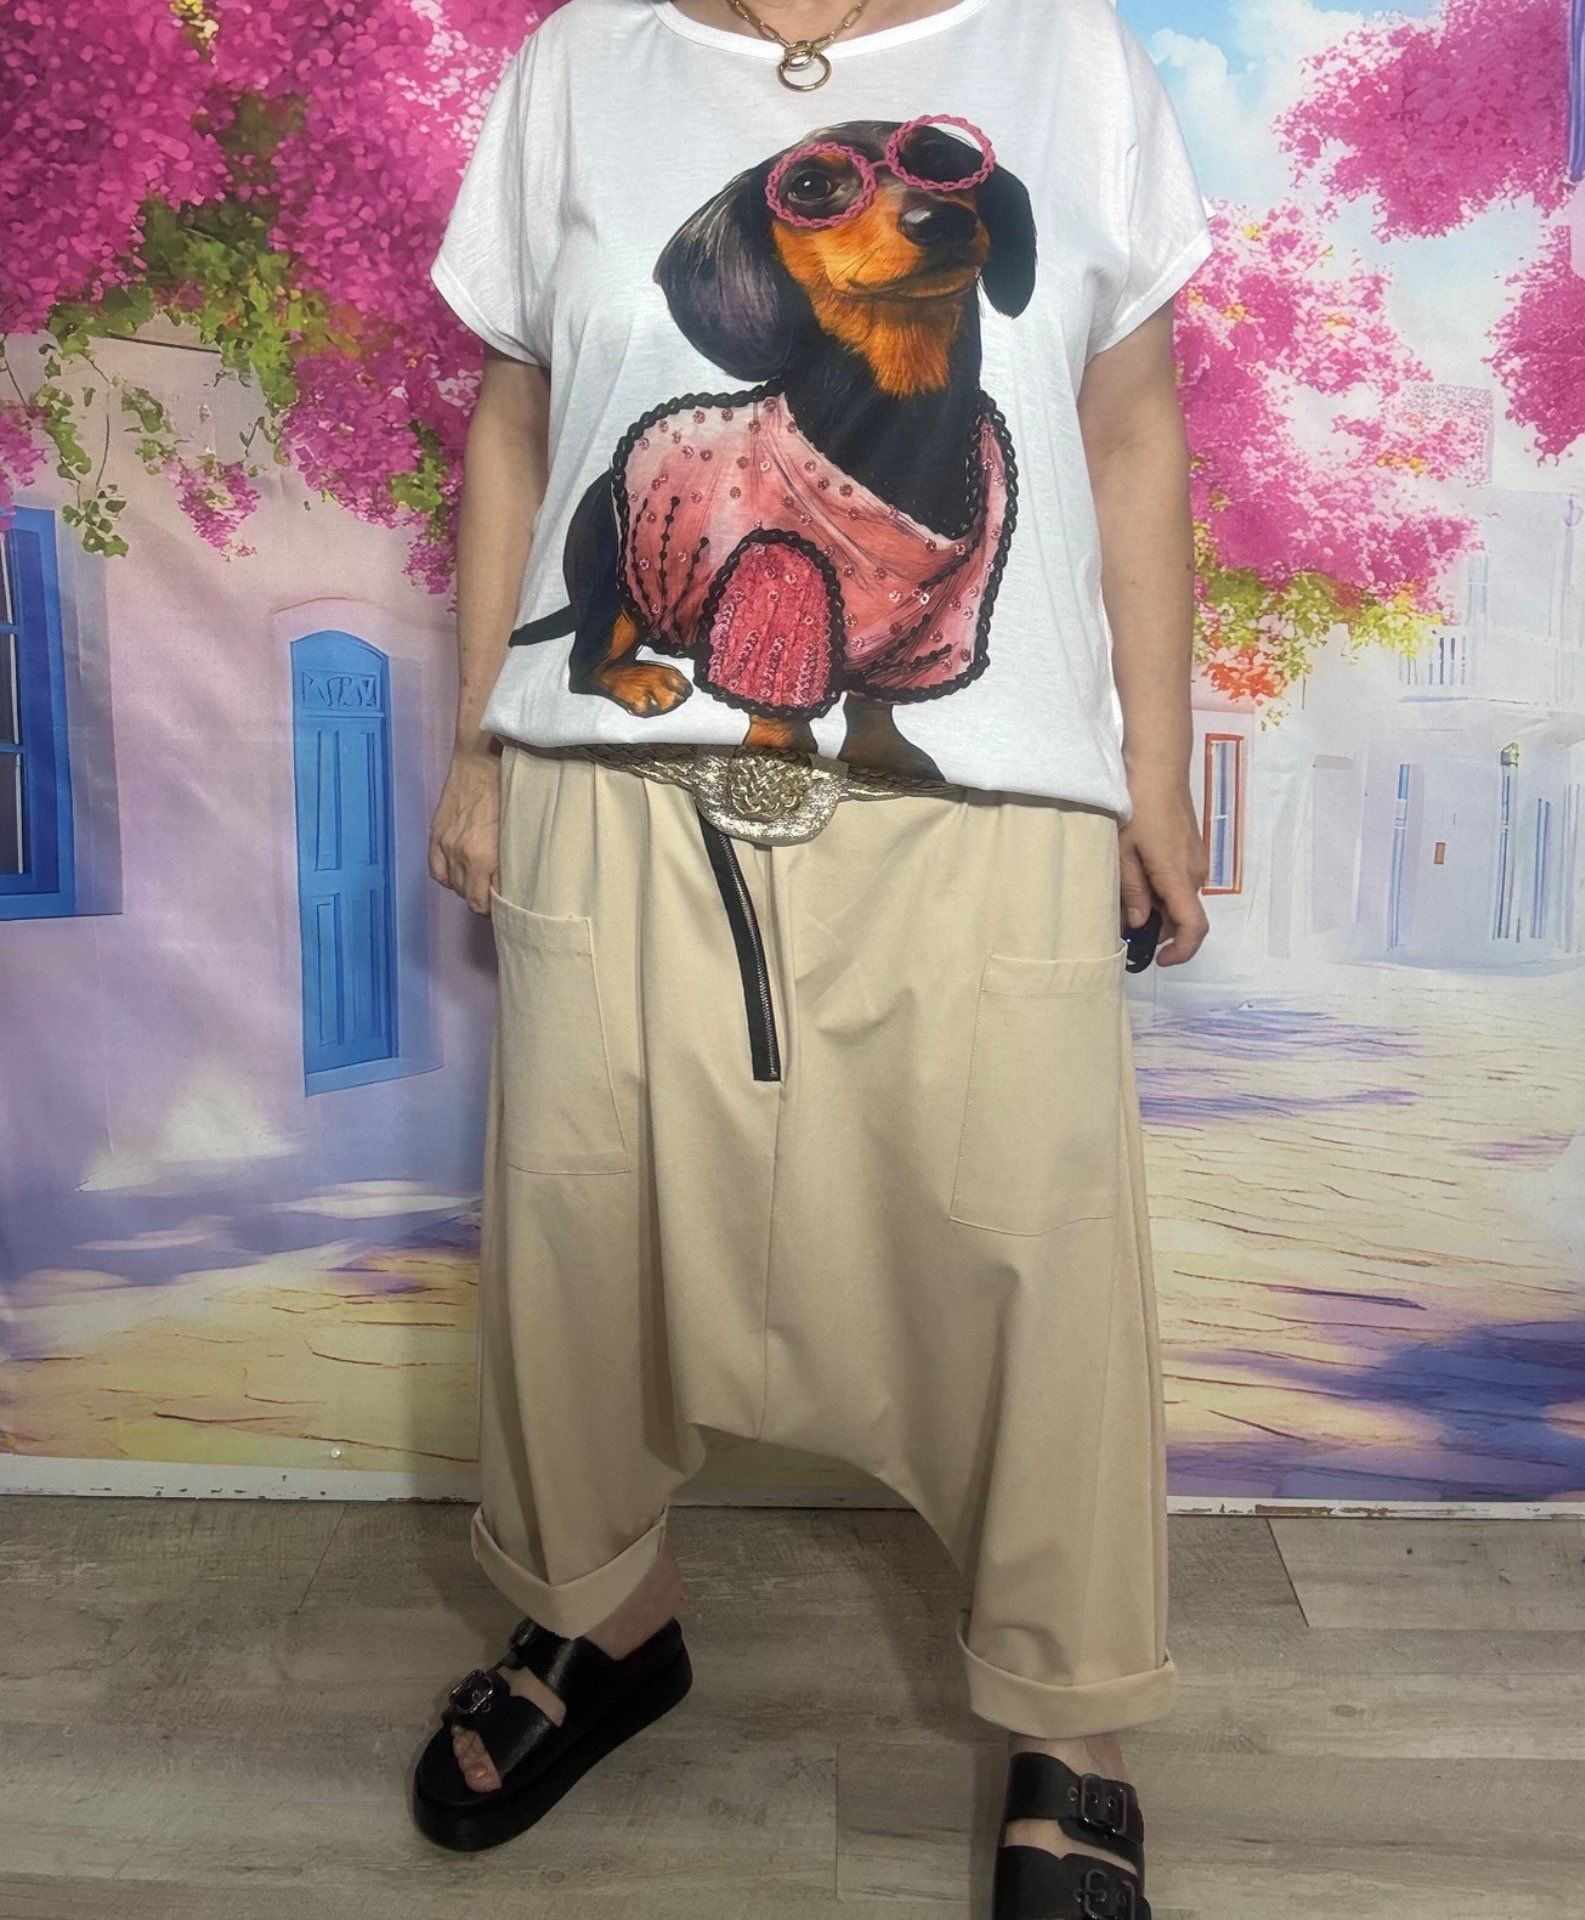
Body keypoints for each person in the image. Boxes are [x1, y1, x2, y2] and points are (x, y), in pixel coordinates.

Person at [414, 0, 1212, 1912]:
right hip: (615, 782)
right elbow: (517, 420)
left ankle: (1070, 1717)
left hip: (986, 794)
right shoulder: (579, 64)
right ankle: (603, 1617)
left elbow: (1127, 427)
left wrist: (1156, 773)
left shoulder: (1067, 59)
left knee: (1031, 1249)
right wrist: (481, 743)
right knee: (587, 1227)